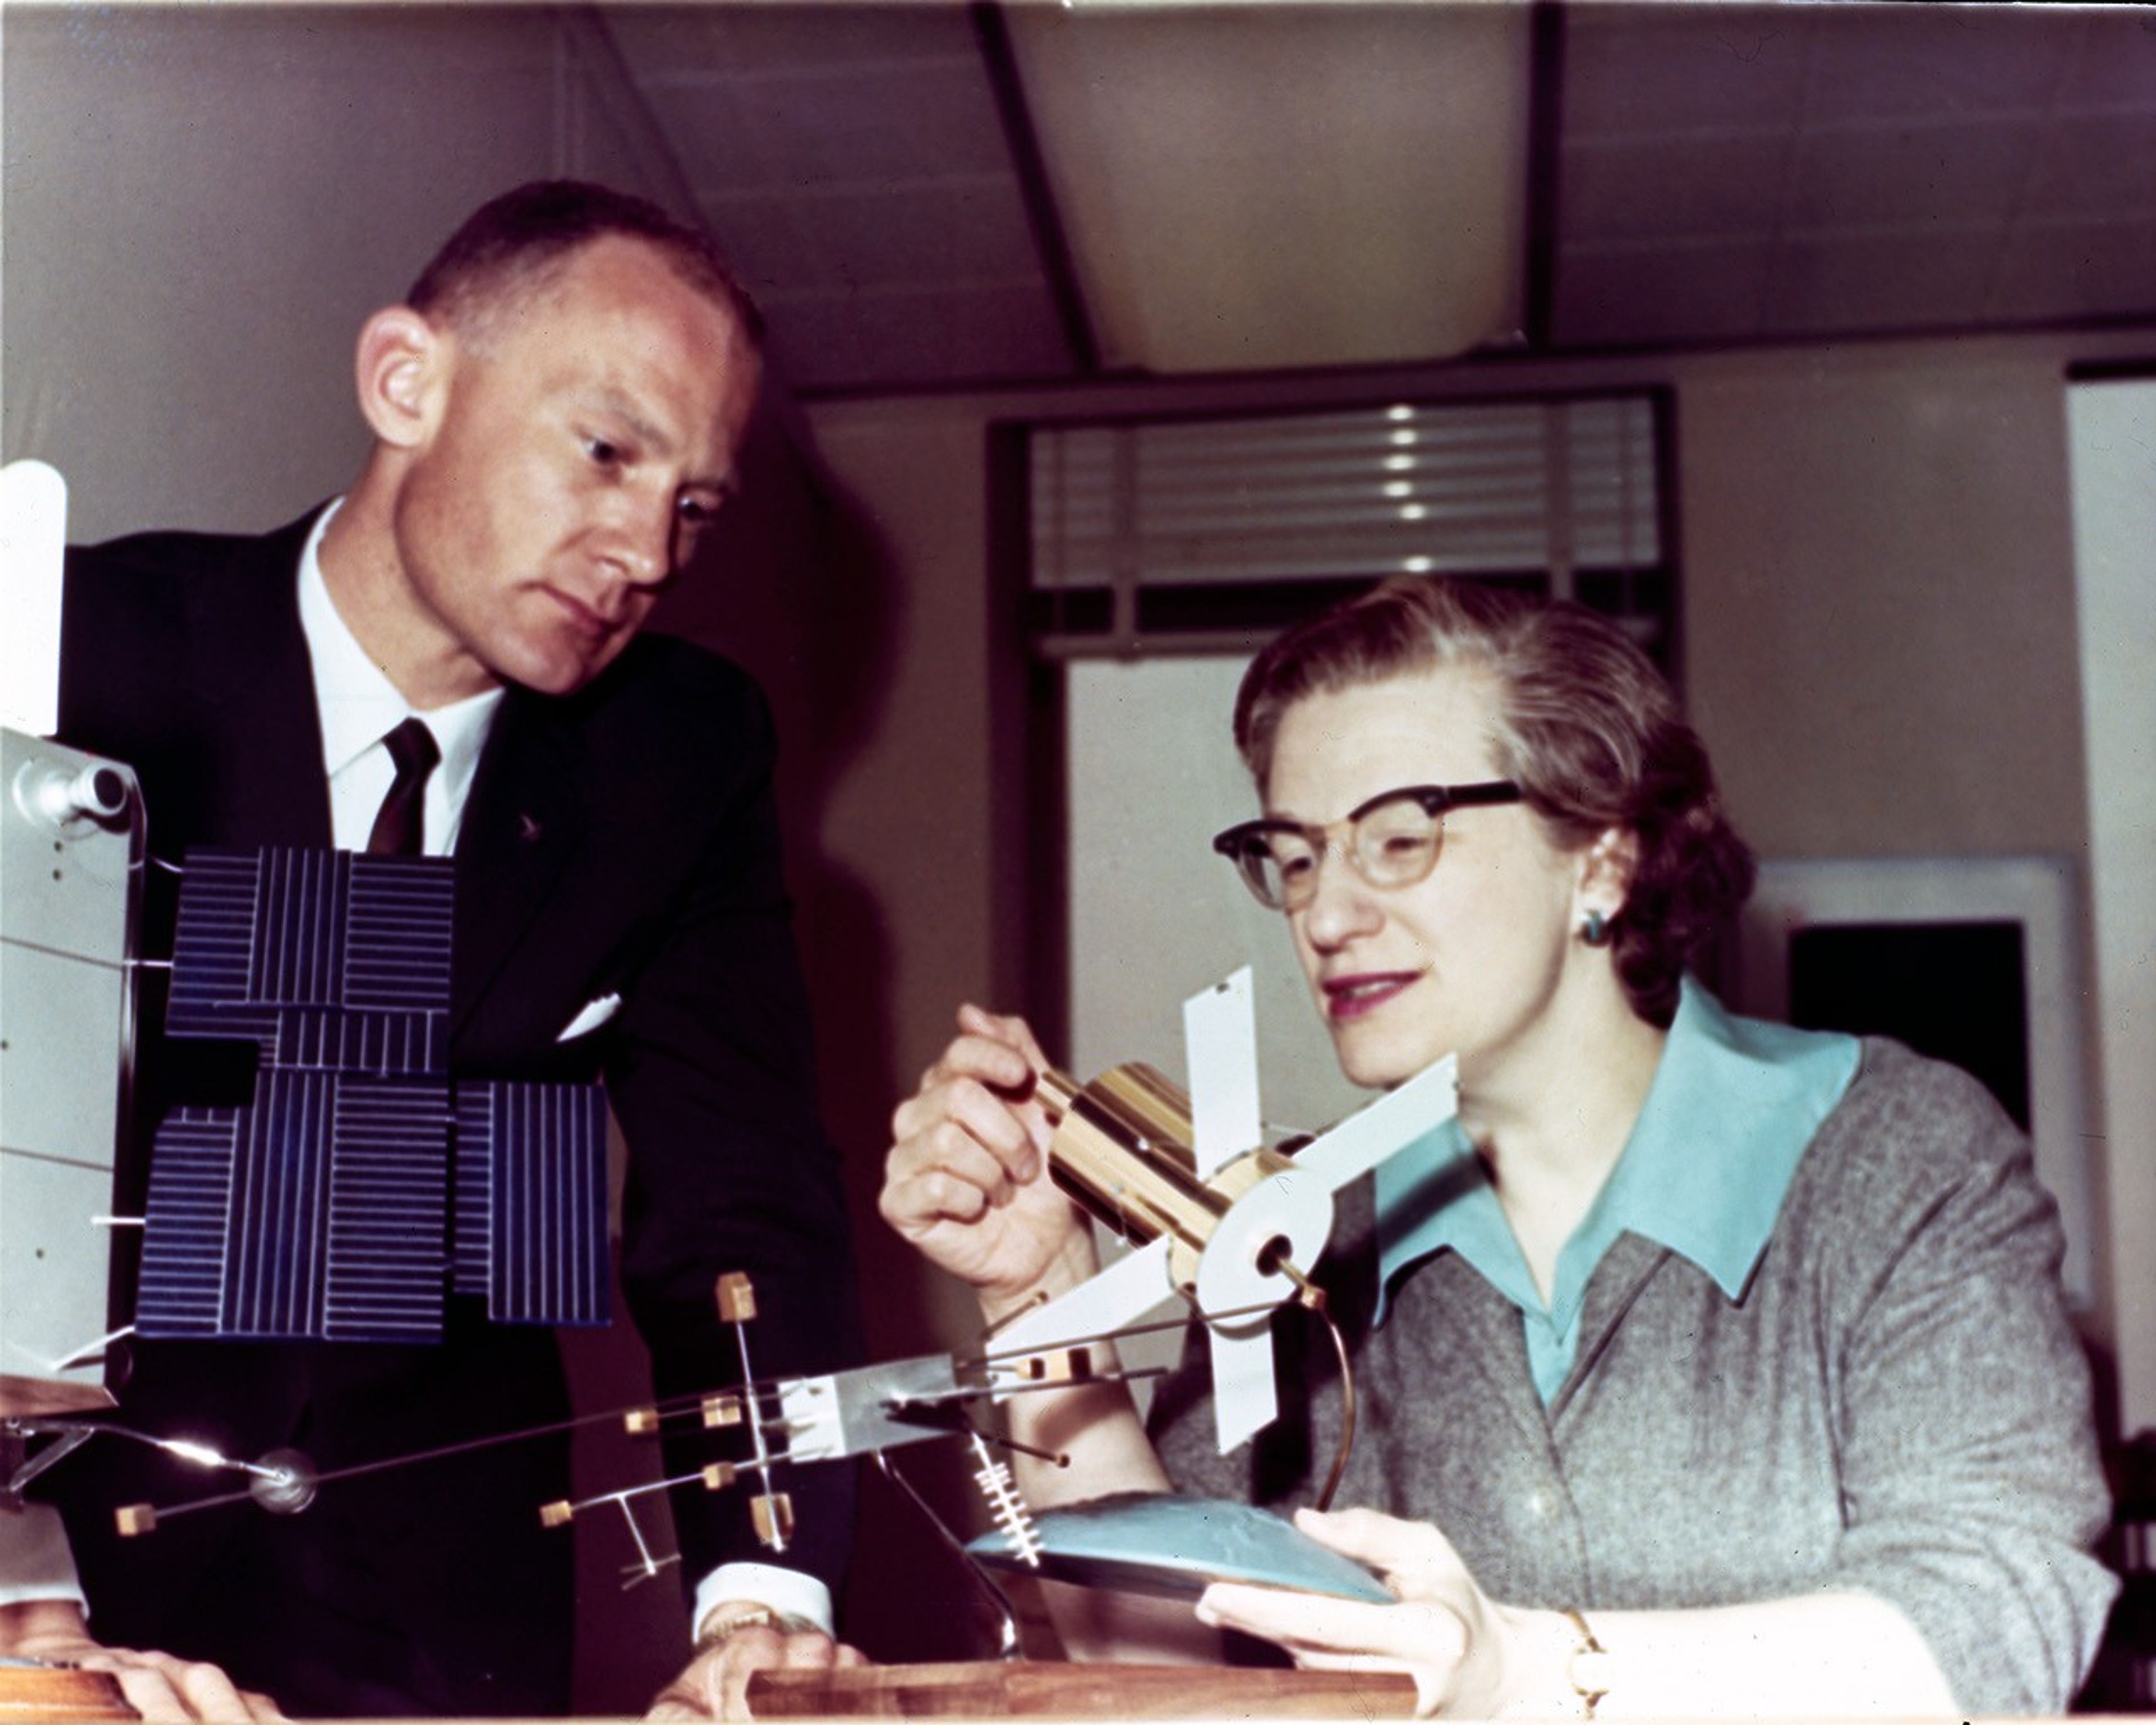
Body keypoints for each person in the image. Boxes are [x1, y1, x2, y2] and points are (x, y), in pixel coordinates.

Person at [882, 575, 2116, 1716]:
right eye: (1297, 854)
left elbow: (1995, 1623)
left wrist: (1523, 1669)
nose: (1326, 911)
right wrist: (1041, 1294)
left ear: (1605, 853)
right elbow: (1169, 1683)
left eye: (1401, 836)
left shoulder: (1894, 1157)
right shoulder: (1304, 1225)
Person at [9, 181, 862, 1721]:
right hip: (68, 1594)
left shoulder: (677, 757)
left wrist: (763, 1595)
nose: (648, 551)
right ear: (408, 380)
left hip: (451, 1619)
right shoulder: (68, 658)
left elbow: (741, 1203)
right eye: (606, 450)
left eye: (694, 505)